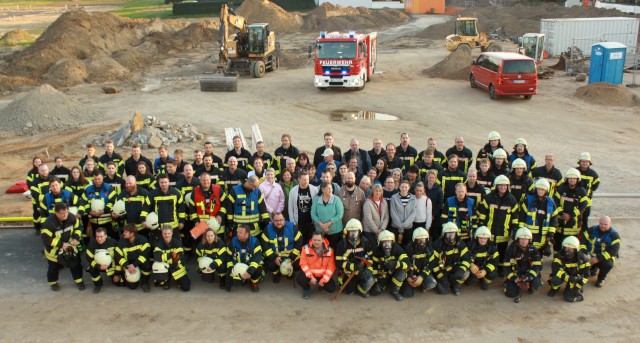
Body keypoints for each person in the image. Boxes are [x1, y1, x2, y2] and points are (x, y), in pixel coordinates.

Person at [477, 175, 518, 270]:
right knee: (488, 251)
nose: (503, 187)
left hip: (504, 232)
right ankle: (487, 268)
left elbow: (514, 218)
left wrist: (514, 229)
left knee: (502, 251)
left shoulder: (512, 200)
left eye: (505, 185)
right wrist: (481, 226)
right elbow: (483, 214)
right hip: (489, 232)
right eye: (500, 185)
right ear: (496, 186)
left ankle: (500, 269)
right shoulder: (488, 198)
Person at [41, 203, 84, 291]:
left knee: (75, 265)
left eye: (66, 212)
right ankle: (53, 283)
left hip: (70, 248)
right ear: (56, 213)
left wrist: (76, 238)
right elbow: (46, 239)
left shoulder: (72, 218)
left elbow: (78, 228)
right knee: (53, 268)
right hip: (54, 251)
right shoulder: (49, 223)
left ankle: (79, 281)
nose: (65, 215)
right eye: (62, 213)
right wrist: (61, 245)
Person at [335, 219, 375, 298]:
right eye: (351, 232)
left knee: (370, 280)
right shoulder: (342, 244)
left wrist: (366, 268)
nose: (353, 235)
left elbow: (370, 257)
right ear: (347, 232)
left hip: (361, 270)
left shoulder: (365, 242)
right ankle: (351, 286)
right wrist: (352, 266)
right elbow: (339, 262)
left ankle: (360, 291)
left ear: (359, 232)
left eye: (355, 232)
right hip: (348, 273)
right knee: (349, 292)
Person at [142, 173, 185, 244]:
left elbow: (182, 208)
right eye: (161, 182)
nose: (164, 184)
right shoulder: (152, 194)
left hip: (173, 227)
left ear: (169, 182)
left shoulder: (176, 193)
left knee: (175, 246)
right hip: (158, 227)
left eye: (165, 182)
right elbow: (146, 207)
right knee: (159, 247)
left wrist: (182, 221)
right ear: (158, 183)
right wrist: (143, 219)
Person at [519, 179, 558, 257]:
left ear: (546, 190)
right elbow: (522, 216)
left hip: (542, 237)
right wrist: (520, 230)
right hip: (529, 235)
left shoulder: (550, 203)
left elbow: (554, 218)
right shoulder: (528, 200)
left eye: (542, 189)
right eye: (539, 189)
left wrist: (550, 233)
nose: (540, 191)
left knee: (538, 259)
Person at [503, 227, 543, 303]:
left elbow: (537, 266)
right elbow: (506, 267)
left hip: (529, 273)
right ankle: (510, 284)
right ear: (517, 239)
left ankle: (530, 286)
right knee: (510, 294)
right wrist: (514, 279)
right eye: (522, 239)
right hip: (516, 274)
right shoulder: (511, 249)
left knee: (537, 284)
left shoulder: (534, 250)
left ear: (529, 240)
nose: (524, 241)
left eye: (526, 239)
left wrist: (529, 277)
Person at [553, 168, 588, 252]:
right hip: (560, 222)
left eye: (574, 178)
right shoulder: (561, 189)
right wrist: (561, 213)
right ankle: (556, 259)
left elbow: (583, 206)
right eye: (570, 178)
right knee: (557, 243)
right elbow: (555, 202)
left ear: (577, 179)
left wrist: (570, 215)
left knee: (571, 244)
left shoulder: (582, 192)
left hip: (574, 224)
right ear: (567, 179)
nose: (572, 180)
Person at [261, 212, 302, 283]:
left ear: (284, 220)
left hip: (290, 256)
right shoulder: (267, 229)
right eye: (276, 220)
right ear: (273, 220)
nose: (279, 222)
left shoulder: (292, 227)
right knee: (268, 263)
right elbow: (264, 244)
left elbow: (299, 242)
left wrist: (291, 258)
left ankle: (289, 272)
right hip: (276, 256)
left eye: (281, 220)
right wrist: (274, 257)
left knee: (298, 264)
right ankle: (277, 273)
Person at [432, 222, 470, 296]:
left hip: (455, 268)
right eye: (448, 234)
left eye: (453, 234)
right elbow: (433, 263)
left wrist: (462, 269)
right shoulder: (437, 245)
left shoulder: (460, 243)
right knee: (442, 290)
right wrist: (441, 277)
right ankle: (445, 283)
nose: (451, 237)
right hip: (442, 270)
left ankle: (455, 286)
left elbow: (467, 258)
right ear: (444, 235)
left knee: (466, 273)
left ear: (456, 234)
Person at [297, 231, 337, 299]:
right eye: (314, 240)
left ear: (323, 240)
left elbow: (331, 267)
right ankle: (307, 289)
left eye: (319, 240)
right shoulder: (305, 248)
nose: (316, 242)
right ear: (312, 239)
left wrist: (324, 280)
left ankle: (320, 284)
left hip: (322, 275)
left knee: (332, 289)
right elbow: (303, 264)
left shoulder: (330, 250)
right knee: (299, 279)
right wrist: (311, 277)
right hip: (310, 274)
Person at [547, 236, 589, 302]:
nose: (568, 250)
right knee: (554, 279)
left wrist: (577, 286)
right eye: (566, 248)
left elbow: (586, 275)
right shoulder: (558, 256)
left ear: (575, 249)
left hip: (575, 277)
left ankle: (578, 295)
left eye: (571, 249)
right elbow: (556, 270)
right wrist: (568, 278)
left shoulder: (582, 258)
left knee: (568, 297)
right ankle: (555, 289)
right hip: (565, 275)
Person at [370, 230, 408, 301]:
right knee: (375, 291)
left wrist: (396, 264)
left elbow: (407, 264)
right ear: (380, 243)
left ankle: (395, 291)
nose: (387, 245)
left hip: (395, 273)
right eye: (384, 242)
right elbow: (374, 266)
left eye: (389, 242)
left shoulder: (397, 249)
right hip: (383, 274)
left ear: (393, 242)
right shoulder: (377, 251)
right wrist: (376, 279)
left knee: (402, 272)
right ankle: (384, 285)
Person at [582, 216, 620, 288]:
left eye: (605, 224)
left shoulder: (614, 235)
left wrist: (598, 258)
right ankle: (592, 269)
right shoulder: (592, 230)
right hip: (590, 255)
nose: (603, 226)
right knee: (580, 258)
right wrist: (583, 251)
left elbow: (614, 251)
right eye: (601, 224)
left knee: (608, 265)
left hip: (603, 258)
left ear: (610, 224)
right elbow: (583, 239)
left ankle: (600, 279)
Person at [189, 172, 227, 241]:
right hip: (201, 225)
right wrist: (196, 221)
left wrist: (220, 215)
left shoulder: (218, 190)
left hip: (216, 224)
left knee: (218, 244)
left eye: (207, 180)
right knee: (200, 245)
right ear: (200, 181)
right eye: (203, 180)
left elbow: (225, 203)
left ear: (210, 180)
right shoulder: (195, 191)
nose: (206, 182)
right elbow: (192, 208)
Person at [400, 227, 437, 297]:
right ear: (414, 240)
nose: (422, 243)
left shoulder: (429, 250)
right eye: (419, 241)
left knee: (432, 283)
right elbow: (403, 265)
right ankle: (410, 286)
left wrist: (421, 277)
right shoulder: (408, 249)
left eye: (424, 240)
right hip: (410, 274)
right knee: (407, 294)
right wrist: (408, 277)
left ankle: (422, 285)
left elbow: (430, 265)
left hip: (422, 273)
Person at [226, 225, 263, 292]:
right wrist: (230, 267)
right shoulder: (233, 241)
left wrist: (250, 272)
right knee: (234, 282)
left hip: (250, 266)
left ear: (247, 234)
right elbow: (228, 255)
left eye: (240, 233)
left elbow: (257, 258)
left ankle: (254, 282)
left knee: (258, 269)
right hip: (237, 265)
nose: (237, 234)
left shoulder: (255, 242)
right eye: (237, 232)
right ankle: (243, 279)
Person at [153, 225, 190, 291]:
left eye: (169, 233)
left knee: (186, 287)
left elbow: (178, 257)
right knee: (161, 284)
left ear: (172, 233)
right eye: (165, 233)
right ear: (162, 234)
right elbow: (158, 257)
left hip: (176, 266)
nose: (167, 235)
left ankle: (178, 279)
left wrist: (164, 257)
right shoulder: (159, 244)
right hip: (165, 268)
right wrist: (171, 255)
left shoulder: (177, 243)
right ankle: (166, 280)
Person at [115, 224, 152, 292]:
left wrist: (134, 265)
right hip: (127, 265)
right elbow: (118, 257)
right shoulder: (121, 242)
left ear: (132, 233)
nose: (123, 233)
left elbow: (145, 255)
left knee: (147, 264)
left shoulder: (142, 240)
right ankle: (125, 278)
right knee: (132, 287)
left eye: (125, 232)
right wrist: (127, 266)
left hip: (138, 263)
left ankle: (145, 282)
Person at [83, 170, 117, 239]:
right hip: (93, 222)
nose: (97, 181)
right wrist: (89, 211)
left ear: (102, 178)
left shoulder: (109, 188)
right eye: (95, 179)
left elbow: (112, 201)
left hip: (107, 221)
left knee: (110, 240)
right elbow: (84, 202)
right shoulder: (88, 189)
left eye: (99, 179)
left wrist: (104, 211)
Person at [310, 182, 344, 248]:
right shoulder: (316, 199)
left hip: (335, 232)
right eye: (328, 188)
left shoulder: (336, 199)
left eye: (331, 188)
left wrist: (327, 224)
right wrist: (321, 225)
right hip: (320, 231)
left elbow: (340, 214)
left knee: (333, 250)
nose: (331, 190)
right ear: (323, 190)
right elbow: (313, 214)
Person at [85, 227, 118, 293]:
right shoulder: (91, 244)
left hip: (111, 265)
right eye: (97, 237)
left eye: (101, 236)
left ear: (106, 235)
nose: (99, 239)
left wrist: (117, 274)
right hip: (98, 265)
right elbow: (89, 259)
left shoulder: (113, 242)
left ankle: (114, 277)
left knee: (119, 283)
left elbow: (118, 258)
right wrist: (98, 266)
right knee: (91, 269)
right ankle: (98, 285)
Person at [288, 171, 318, 243]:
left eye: (307, 179)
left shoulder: (314, 189)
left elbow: (317, 206)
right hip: (299, 222)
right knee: (300, 241)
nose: (306, 181)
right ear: (299, 179)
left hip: (311, 222)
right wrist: (293, 222)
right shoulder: (293, 191)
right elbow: (290, 207)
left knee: (310, 241)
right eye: (304, 180)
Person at [576, 152, 600, 230]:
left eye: (587, 162)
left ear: (589, 163)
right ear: (579, 162)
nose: (585, 163)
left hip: (587, 202)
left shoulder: (593, 174)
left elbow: (595, 186)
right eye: (583, 161)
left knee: (584, 220)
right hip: (575, 200)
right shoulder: (575, 171)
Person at [389, 181, 417, 245]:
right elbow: (393, 212)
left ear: (409, 188)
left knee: (406, 244)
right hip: (395, 226)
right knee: (395, 244)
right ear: (399, 187)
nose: (404, 189)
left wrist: (404, 225)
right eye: (402, 187)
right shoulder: (394, 197)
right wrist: (400, 225)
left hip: (408, 227)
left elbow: (413, 213)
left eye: (406, 187)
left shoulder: (413, 198)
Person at [30, 164, 54, 234]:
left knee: (50, 215)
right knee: (37, 216)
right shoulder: (35, 181)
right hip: (38, 202)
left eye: (46, 170)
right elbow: (35, 194)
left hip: (51, 201)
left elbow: (59, 188)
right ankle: (38, 228)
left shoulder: (53, 178)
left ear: (48, 170)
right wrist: (45, 199)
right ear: (39, 171)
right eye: (42, 170)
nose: (44, 172)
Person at [424, 170, 443, 240]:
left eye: (433, 178)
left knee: (435, 235)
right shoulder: (423, 188)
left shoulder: (438, 189)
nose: (431, 179)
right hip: (424, 214)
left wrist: (433, 215)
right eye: (430, 177)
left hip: (435, 216)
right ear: (427, 177)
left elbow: (440, 203)